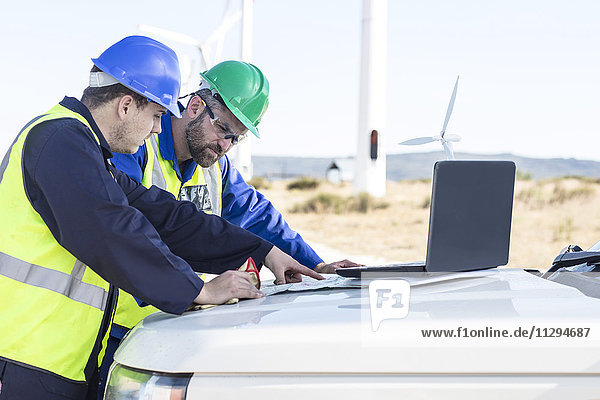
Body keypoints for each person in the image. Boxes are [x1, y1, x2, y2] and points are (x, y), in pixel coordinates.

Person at [0, 36, 321, 400]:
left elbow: (167, 217)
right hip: (22, 358)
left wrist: (263, 250)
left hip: (60, 358)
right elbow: (110, 229)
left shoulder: (87, 151)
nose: (158, 127)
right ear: (125, 106)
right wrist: (196, 290)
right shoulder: (59, 139)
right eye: (155, 115)